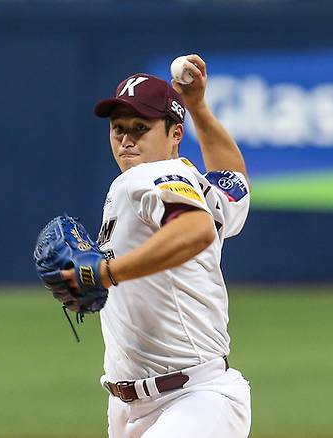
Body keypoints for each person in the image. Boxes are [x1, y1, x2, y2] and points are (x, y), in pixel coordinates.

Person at [59, 55, 252, 437]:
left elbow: (195, 230)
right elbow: (234, 180)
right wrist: (198, 106)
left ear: (175, 134)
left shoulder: (145, 177)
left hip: (193, 401)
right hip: (139, 406)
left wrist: (109, 272)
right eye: (118, 129)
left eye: (141, 128)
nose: (127, 140)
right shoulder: (192, 182)